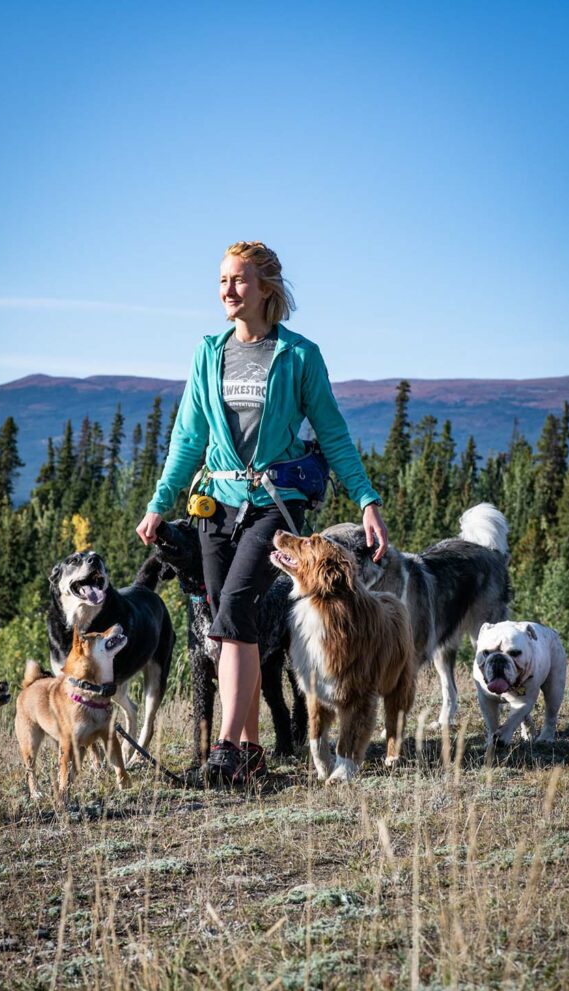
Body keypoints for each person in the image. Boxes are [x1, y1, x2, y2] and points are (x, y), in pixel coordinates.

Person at [136, 241, 388, 784]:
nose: (228, 290)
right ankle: (249, 754)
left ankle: (225, 747)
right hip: (216, 504)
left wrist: (367, 500)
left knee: (234, 608)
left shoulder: (298, 356)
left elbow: (334, 434)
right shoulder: (209, 352)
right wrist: (160, 503)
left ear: (267, 288)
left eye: (239, 280)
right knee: (231, 630)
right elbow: (188, 437)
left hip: (276, 503)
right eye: (223, 280)